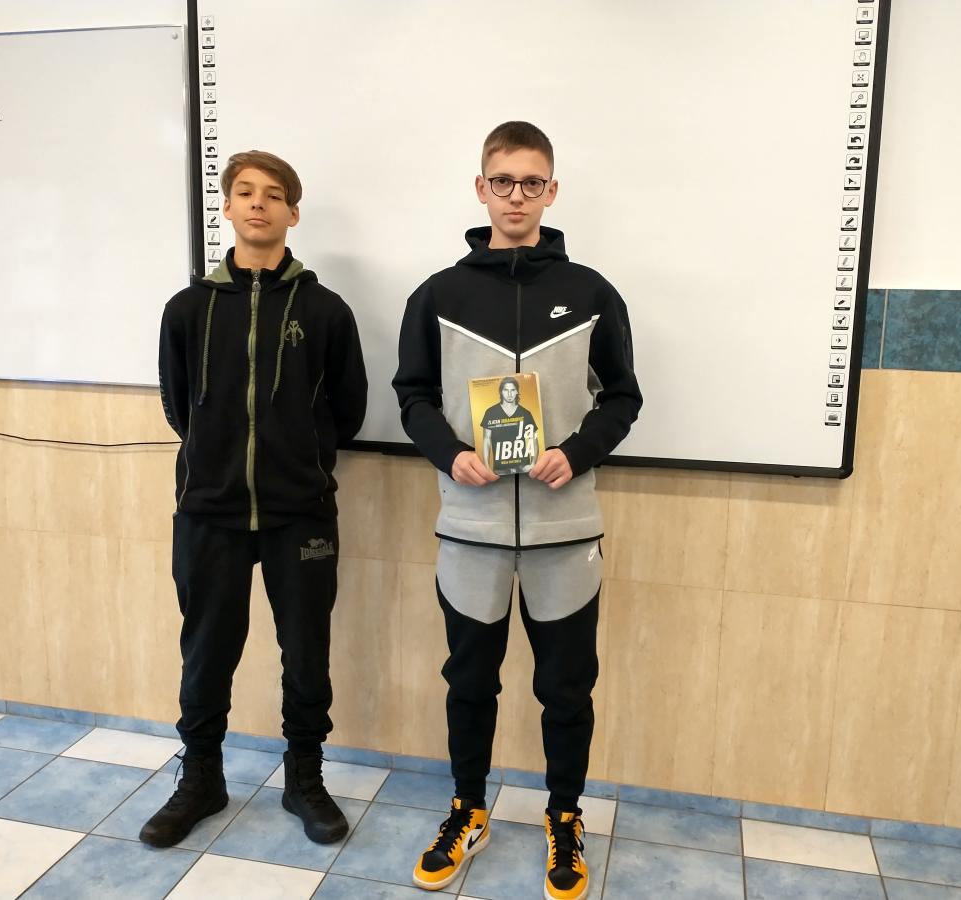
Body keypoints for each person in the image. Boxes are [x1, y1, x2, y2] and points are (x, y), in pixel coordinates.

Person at [393, 122, 641, 899]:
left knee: (566, 691)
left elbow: (623, 397)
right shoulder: (438, 296)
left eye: (532, 183)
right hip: (470, 530)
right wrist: (448, 453)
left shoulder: (591, 294)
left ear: (552, 191)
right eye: (503, 181)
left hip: (565, 532)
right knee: (470, 683)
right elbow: (412, 395)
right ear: (481, 188)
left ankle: (564, 817)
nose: (516, 196)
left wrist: (579, 450)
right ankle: (468, 810)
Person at [143, 150, 367, 848]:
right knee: (206, 651)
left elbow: (349, 410)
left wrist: (297, 460)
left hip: (301, 513)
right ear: (228, 207)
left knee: (306, 652)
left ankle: (305, 779)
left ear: (293, 213)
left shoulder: (326, 311)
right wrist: (218, 460)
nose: (258, 203)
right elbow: (179, 405)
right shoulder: (187, 309)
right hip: (208, 511)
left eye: (273, 194)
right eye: (245, 192)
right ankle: (201, 779)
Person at [480, 376, 539, 474]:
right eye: (506, 390)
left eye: (512, 390)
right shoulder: (491, 412)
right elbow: (486, 440)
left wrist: (533, 463)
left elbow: (533, 439)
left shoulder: (525, 413)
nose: (509, 394)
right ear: (501, 392)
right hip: (500, 469)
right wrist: (486, 467)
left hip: (523, 467)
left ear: (517, 391)